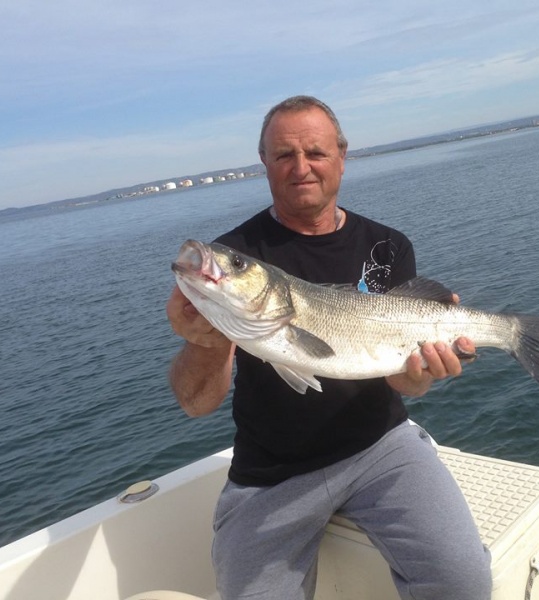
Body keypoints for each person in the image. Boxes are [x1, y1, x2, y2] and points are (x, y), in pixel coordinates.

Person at [166, 95, 492, 600]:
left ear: (342, 155)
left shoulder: (388, 246)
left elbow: (404, 381)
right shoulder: (237, 258)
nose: (301, 168)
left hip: (382, 446)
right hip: (272, 472)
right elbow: (195, 403)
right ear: (265, 164)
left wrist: (423, 374)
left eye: (315, 153)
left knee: (464, 582)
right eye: (284, 156)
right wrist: (205, 338)